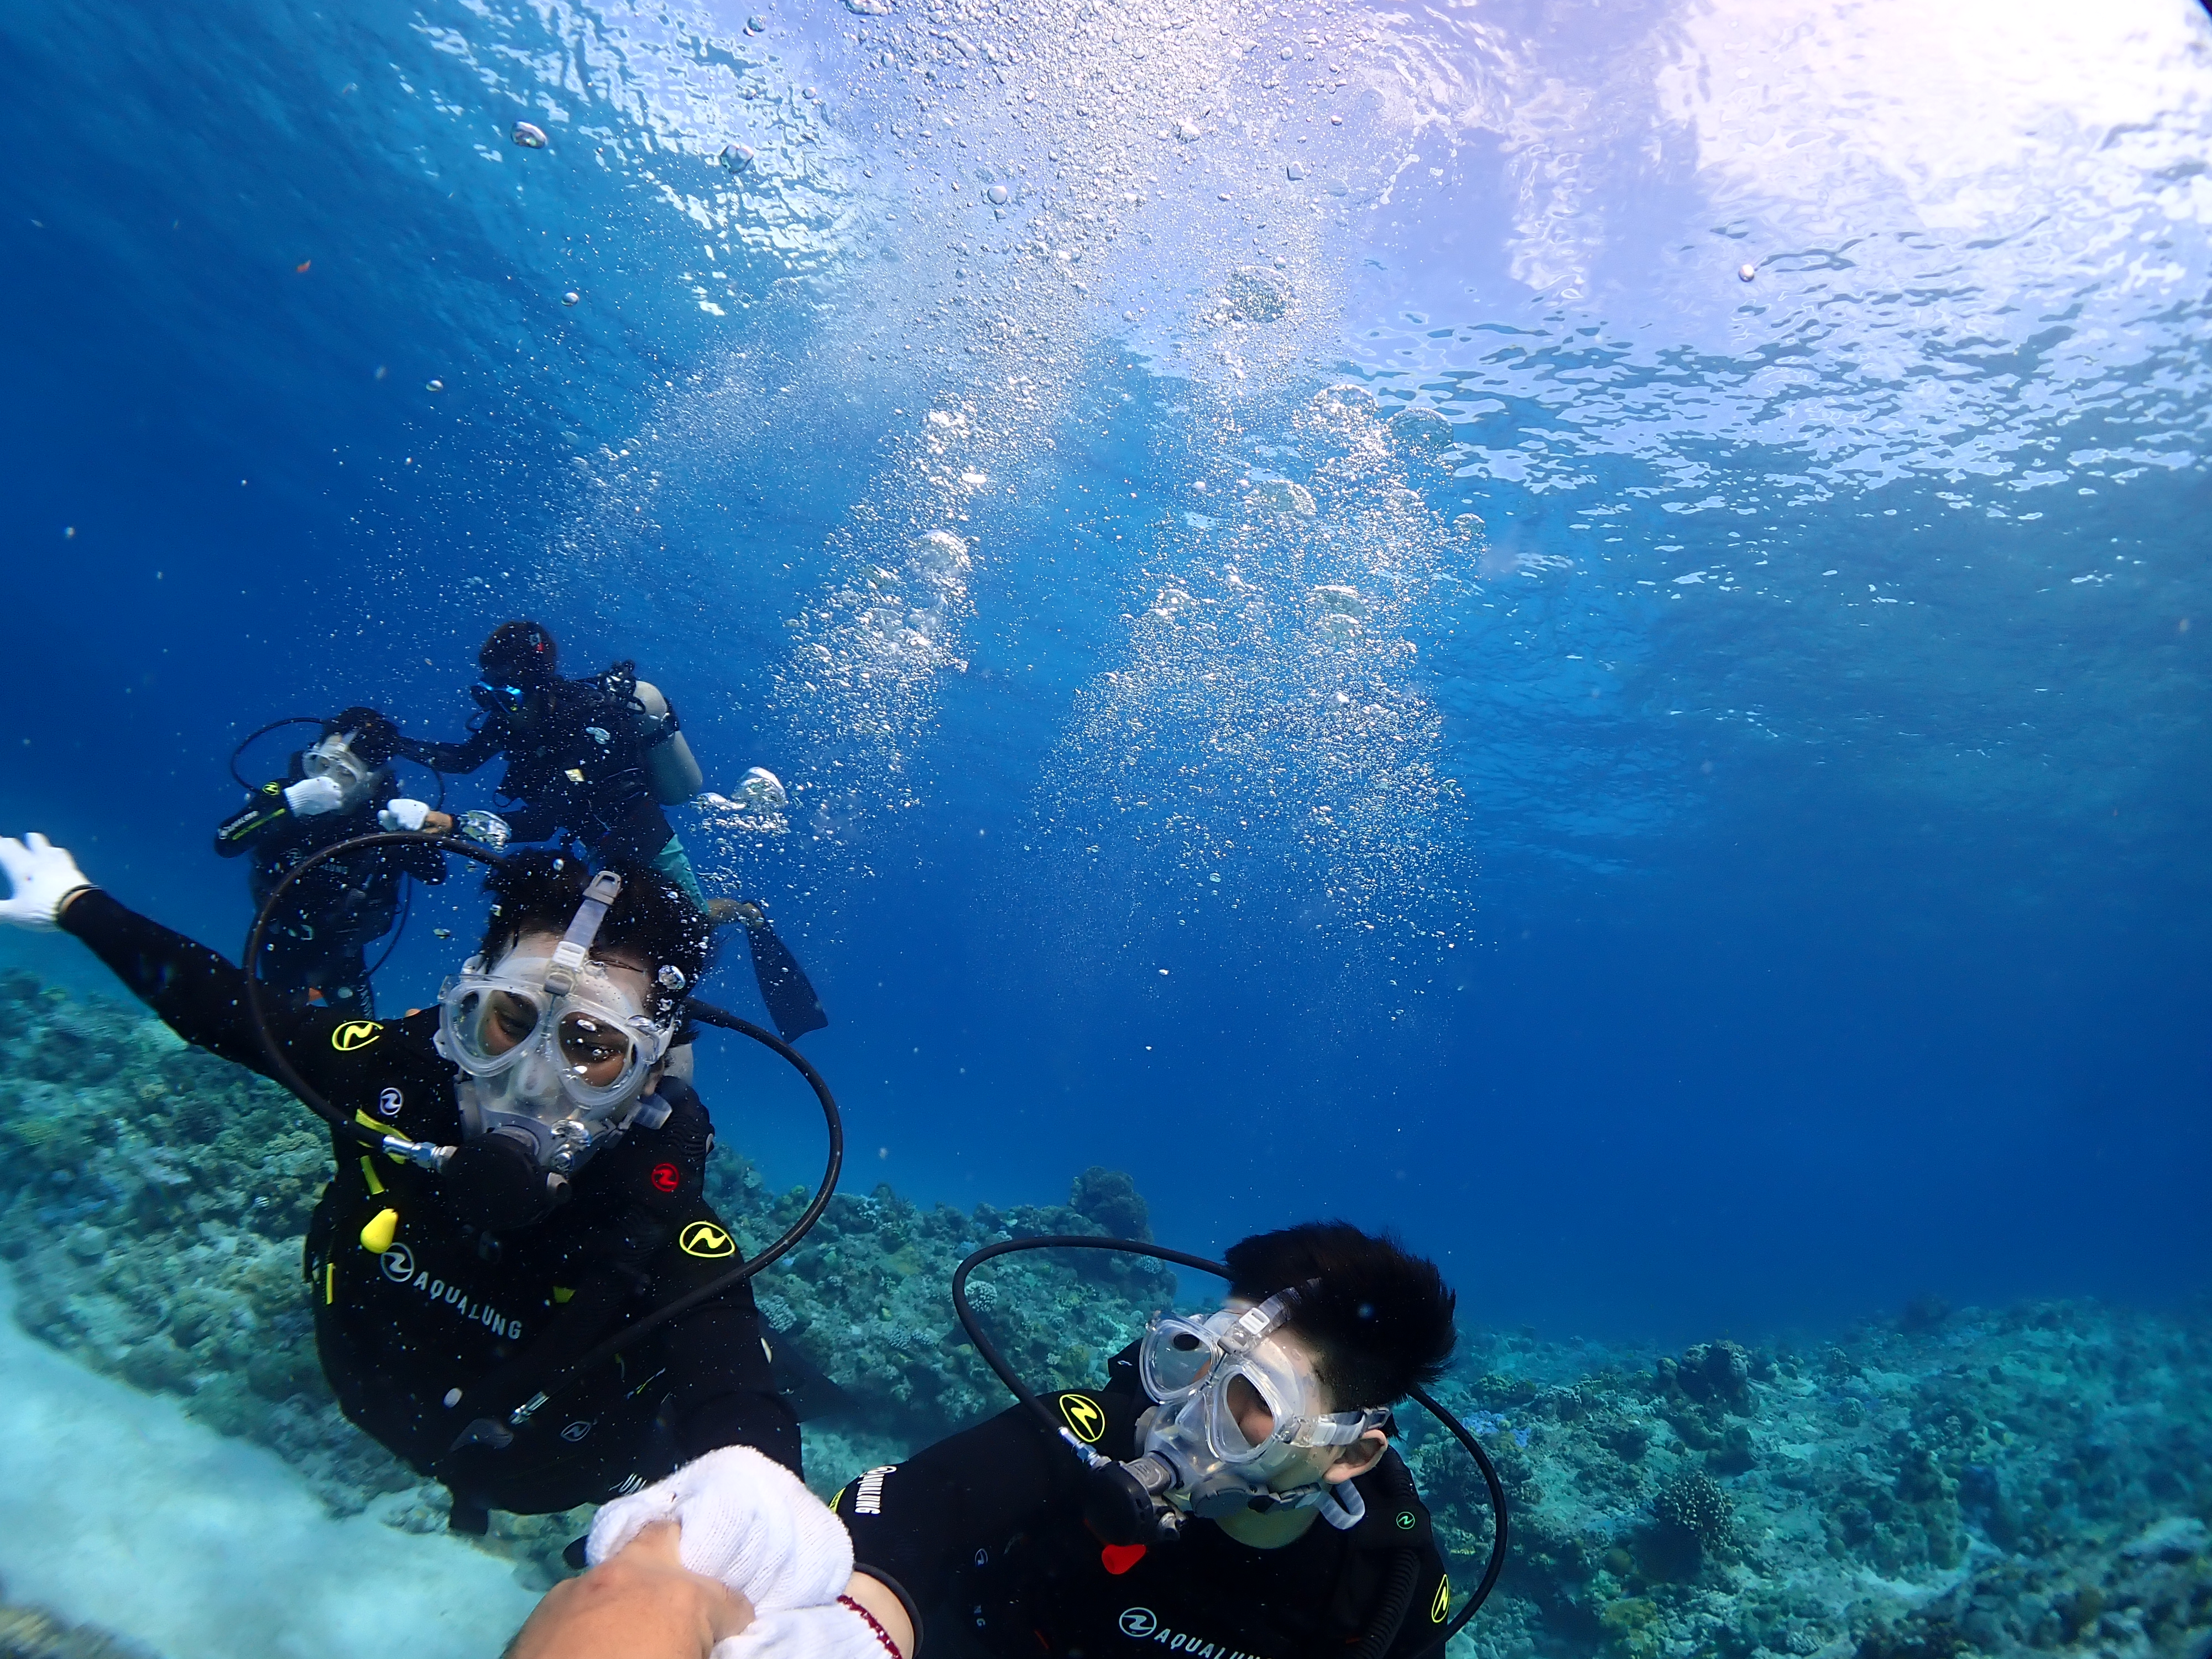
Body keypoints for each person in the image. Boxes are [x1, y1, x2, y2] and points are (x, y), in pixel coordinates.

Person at [0, 831, 799, 1532]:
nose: (529, 1082)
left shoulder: (656, 1221)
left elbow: (734, 1393)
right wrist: (77, 904)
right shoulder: (396, 1078)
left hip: (552, 1476)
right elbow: (234, 1010)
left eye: (591, 1046)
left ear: (648, 1070)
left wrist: (765, 1522)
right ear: (464, 1003)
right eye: (511, 1022)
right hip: (369, 1385)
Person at [509, 1223, 1460, 1659]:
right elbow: (910, 1526)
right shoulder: (1084, 1435)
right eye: (1191, 1360)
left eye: (1247, 1396)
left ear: (1350, 1454)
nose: (1188, 1414)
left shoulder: (1387, 1587)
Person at [391, 621, 718, 915]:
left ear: (536, 684)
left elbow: (545, 820)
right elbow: (463, 760)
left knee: (695, 925)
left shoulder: (589, 722)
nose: (497, 709)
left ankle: (745, 913)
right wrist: (393, 743)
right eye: (486, 695)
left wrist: (452, 823)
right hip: (599, 849)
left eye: (506, 695)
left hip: (650, 846)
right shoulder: (509, 719)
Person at [214, 708, 452, 1016]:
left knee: (358, 1045)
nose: (326, 780)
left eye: (345, 775)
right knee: (275, 1028)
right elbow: (225, 841)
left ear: (372, 781)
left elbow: (435, 873)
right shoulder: (285, 795)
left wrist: (409, 835)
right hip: (279, 937)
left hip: (342, 953)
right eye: (321, 764)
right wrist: (289, 806)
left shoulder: (383, 818)